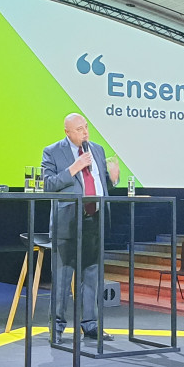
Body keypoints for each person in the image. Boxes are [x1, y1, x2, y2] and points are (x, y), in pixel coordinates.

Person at [42, 112, 119, 341]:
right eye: (79, 129)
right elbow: (48, 185)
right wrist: (73, 169)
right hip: (67, 223)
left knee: (91, 276)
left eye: (86, 127)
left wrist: (112, 180)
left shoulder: (97, 149)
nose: (85, 132)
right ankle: (56, 328)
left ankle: (90, 324)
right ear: (67, 132)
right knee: (63, 279)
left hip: (94, 220)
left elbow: (99, 183)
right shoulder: (53, 151)